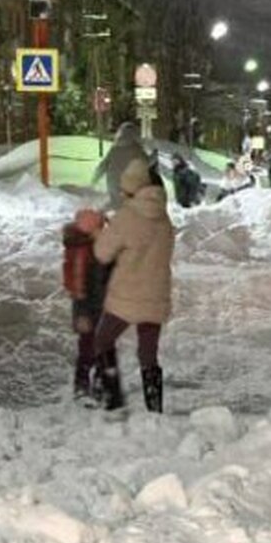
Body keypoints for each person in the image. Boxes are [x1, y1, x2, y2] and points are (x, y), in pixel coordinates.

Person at [91, 158, 176, 412]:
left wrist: (102, 232)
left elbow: (102, 253)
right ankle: (154, 406)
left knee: (103, 341)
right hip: (156, 295)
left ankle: (111, 396)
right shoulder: (163, 216)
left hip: (126, 297)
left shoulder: (127, 217)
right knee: (148, 354)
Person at [62, 208, 114, 405]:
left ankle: (101, 384)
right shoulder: (83, 253)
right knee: (88, 349)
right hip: (88, 312)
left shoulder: (97, 248)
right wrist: (82, 314)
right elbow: (78, 288)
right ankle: (82, 386)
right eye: (101, 228)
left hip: (103, 308)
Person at [92, 122, 148, 209]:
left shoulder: (114, 149)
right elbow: (147, 163)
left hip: (113, 184)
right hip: (130, 186)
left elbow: (103, 166)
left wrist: (95, 178)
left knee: (115, 202)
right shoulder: (137, 150)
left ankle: (102, 213)